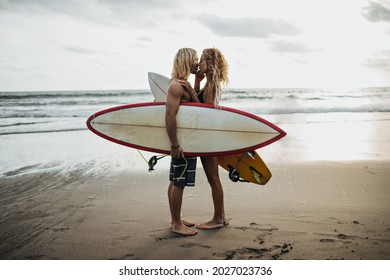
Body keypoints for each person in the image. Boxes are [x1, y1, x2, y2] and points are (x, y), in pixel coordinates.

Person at [178, 48, 229, 230]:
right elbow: (199, 104)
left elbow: (201, 111)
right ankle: (221, 217)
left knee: (213, 179)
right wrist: (196, 82)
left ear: (210, 64)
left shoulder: (212, 85)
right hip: (208, 136)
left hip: (207, 138)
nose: (199, 64)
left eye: (202, 61)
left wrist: (191, 88)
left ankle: (218, 219)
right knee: (214, 179)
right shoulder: (209, 83)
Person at [165, 48, 199, 236]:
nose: (197, 62)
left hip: (183, 140)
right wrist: (175, 145)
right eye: (195, 59)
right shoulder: (176, 86)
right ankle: (177, 224)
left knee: (175, 180)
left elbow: (198, 108)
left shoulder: (181, 84)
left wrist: (193, 87)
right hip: (181, 142)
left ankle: (175, 218)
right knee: (179, 182)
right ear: (187, 60)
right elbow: (169, 116)